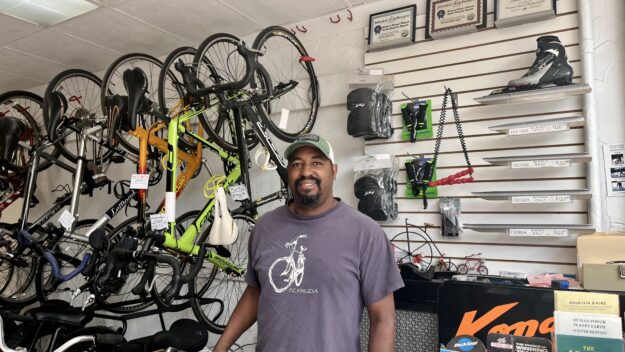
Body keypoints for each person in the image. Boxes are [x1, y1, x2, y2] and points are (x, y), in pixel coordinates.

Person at [213, 133, 404, 352]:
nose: (305, 171)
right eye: (296, 164)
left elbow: (383, 319)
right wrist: (221, 348)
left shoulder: (366, 233)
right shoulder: (264, 228)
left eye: (316, 162)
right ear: (288, 173)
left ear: (333, 171)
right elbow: (256, 292)